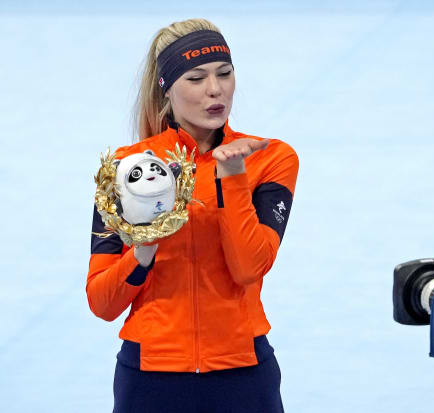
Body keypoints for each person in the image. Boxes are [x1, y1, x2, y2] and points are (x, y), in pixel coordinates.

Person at [86, 18, 298, 413]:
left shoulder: (269, 158)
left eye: (225, 74)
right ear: (167, 89)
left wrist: (232, 177)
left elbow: (249, 267)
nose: (215, 90)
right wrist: (143, 251)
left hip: (243, 376)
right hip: (149, 378)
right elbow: (102, 302)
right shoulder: (127, 169)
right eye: (196, 78)